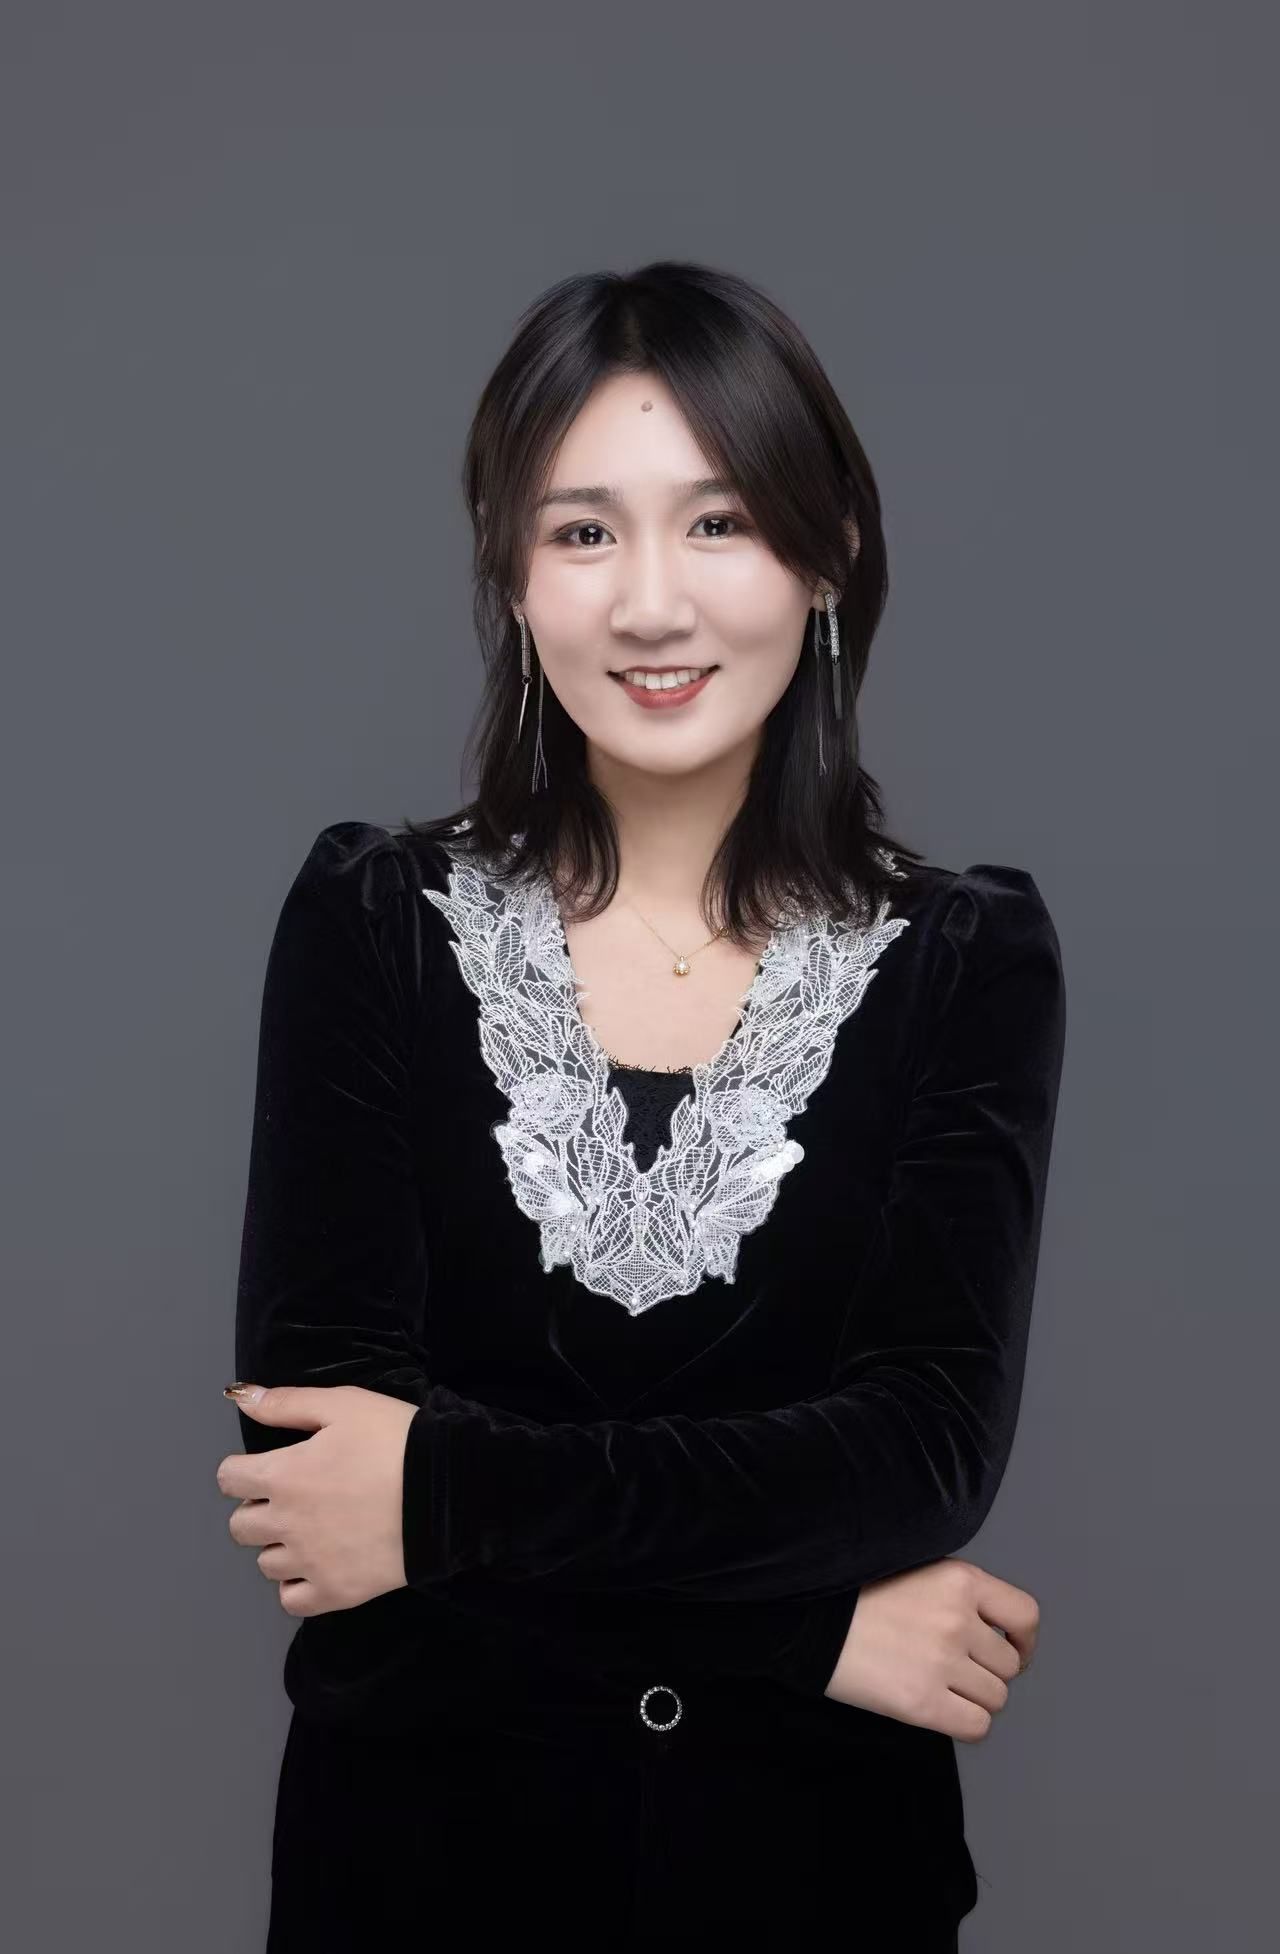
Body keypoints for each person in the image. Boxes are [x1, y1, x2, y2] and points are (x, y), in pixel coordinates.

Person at [220, 260, 1067, 1949]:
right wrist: (811, 1631)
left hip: (822, 1885)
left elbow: (919, 1454)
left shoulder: (964, 959)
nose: (653, 604)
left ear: (826, 557)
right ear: (513, 576)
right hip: (414, 1879)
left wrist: (441, 1495)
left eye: (721, 522)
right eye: (585, 531)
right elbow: (319, 1488)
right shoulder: (375, 925)